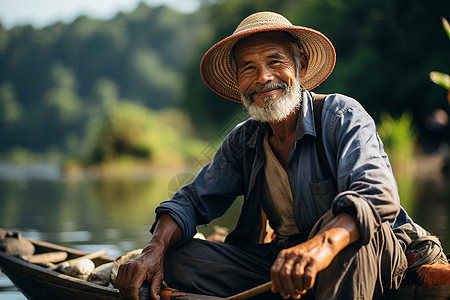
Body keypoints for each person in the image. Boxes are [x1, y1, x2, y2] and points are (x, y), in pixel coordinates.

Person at [116, 12, 446, 300]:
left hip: (381, 252)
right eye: (248, 68)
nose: (263, 78)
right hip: (290, 259)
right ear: (239, 83)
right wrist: (153, 251)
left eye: (275, 62)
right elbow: (191, 200)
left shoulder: (340, 115)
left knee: (341, 237)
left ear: (299, 64)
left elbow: (377, 195)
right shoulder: (244, 141)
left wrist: (321, 246)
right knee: (179, 259)